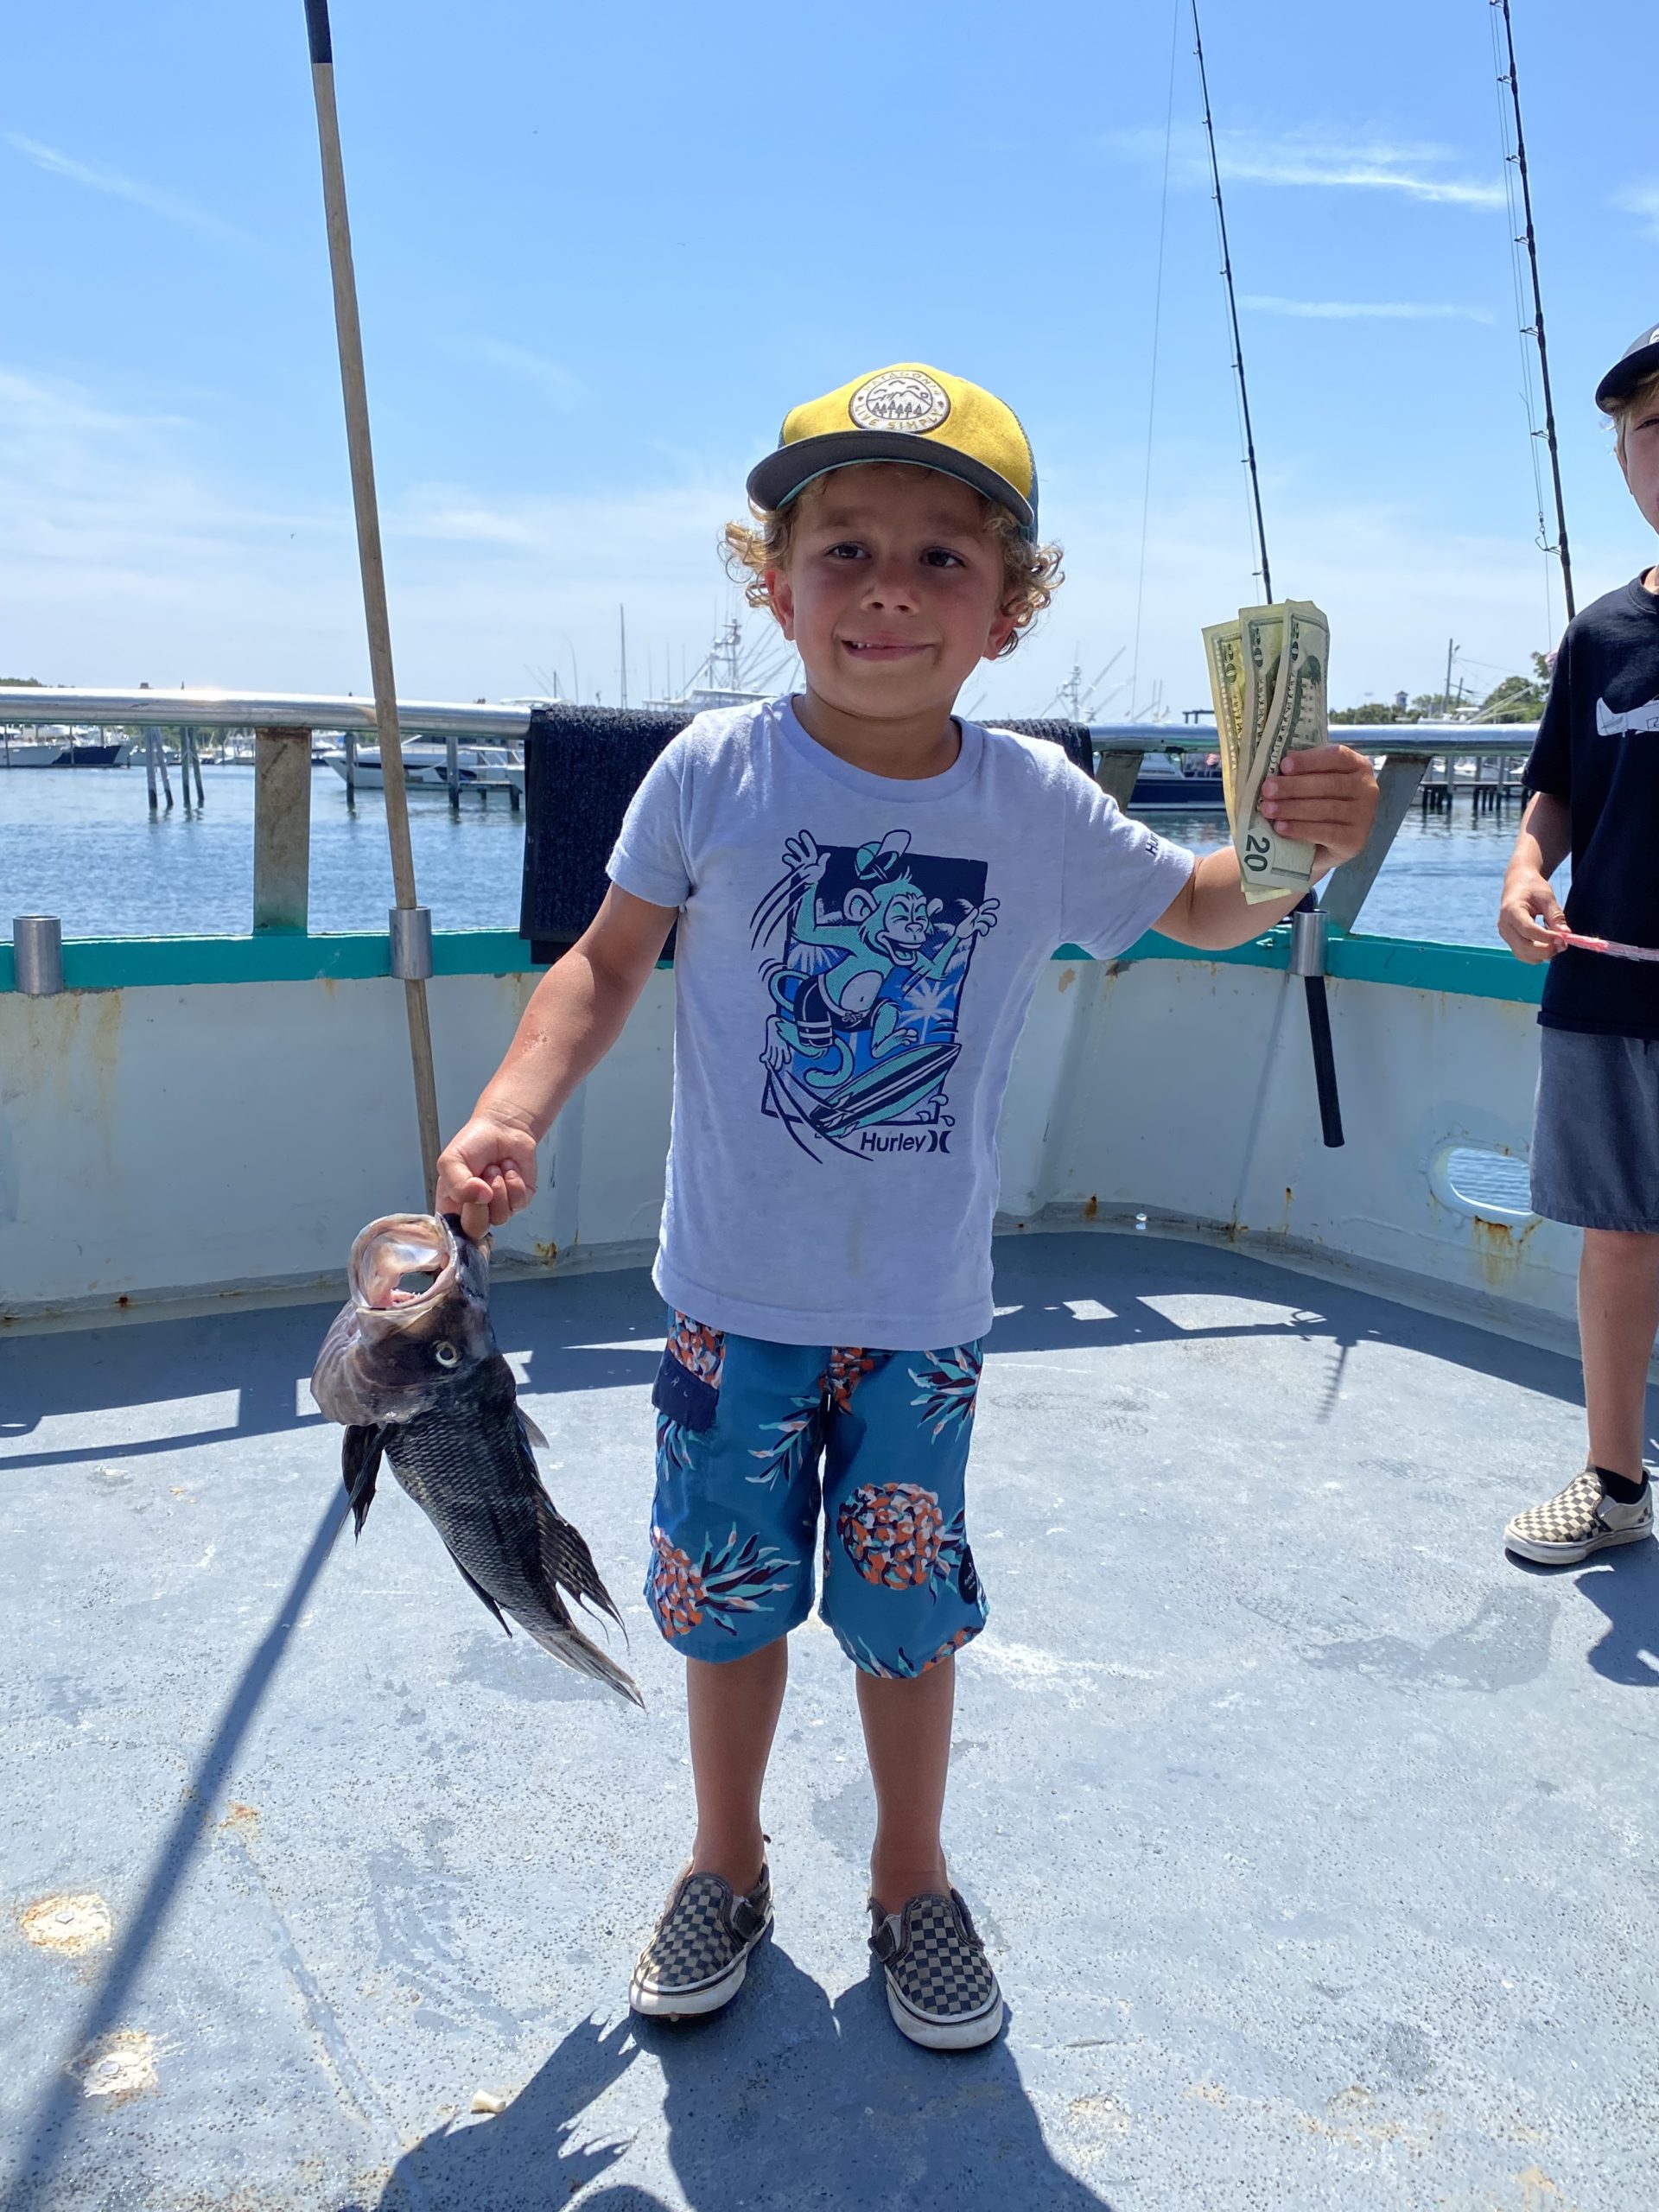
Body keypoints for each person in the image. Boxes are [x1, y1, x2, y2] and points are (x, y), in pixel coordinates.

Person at [435, 362, 1380, 2047]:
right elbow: (599, 965)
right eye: (843, 546)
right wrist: (511, 1109)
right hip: (729, 1296)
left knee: (901, 1609)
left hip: (923, 1316)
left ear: (1010, 610)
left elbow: (1205, 903)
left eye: (944, 556)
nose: (887, 584)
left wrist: (1301, 850)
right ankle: (724, 1858)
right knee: (727, 1603)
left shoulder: (1028, 803)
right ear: (772, 584)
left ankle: (910, 1875)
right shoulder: (712, 773)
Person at [1499, 321, 1659, 1568]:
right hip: (1607, 985)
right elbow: (1556, 789)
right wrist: (1520, 875)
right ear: (1621, 461)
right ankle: (1616, 1484)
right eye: (1652, 431)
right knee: (1618, 1236)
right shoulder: (1601, 636)